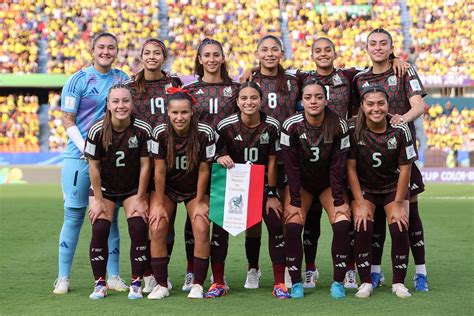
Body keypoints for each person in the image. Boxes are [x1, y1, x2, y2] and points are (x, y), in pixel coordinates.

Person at [353, 28, 429, 292]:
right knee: (372, 219)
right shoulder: (359, 77)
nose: (378, 47)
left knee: (408, 215)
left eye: (383, 43)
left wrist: (400, 121)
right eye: (372, 43)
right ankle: (374, 273)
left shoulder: (404, 70)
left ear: (391, 46)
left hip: (400, 151)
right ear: (367, 48)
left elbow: (418, 106)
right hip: (371, 157)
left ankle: (420, 272)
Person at [54, 32, 129, 295]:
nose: (106, 51)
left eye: (111, 47)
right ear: (92, 49)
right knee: (73, 216)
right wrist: (86, 147)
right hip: (79, 156)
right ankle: (63, 277)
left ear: (116, 51)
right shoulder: (78, 80)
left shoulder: (123, 79)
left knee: (110, 217)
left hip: (110, 160)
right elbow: (67, 118)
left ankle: (115, 275)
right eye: (101, 47)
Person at [208, 82, 289, 299]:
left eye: (253, 98)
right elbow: (214, 154)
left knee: (274, 221)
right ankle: (217, 282)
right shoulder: (225, 126)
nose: (249, 102)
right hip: (232, 184)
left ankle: (279, 281)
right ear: (237, 102)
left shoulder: (271, 125)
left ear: (261, 100)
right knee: (219, 227)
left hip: (260, 185)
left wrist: (272, 194)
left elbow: (272, 162)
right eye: (244, 98)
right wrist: (219, 157)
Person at [280, 80, 351, 299]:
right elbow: (290, 166)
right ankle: (296, 281)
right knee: (292, 225)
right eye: (308, 97)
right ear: (302, 101)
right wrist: (295, 200)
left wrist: (338, 199)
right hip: (301, 184)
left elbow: (338, 165)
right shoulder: (290, 125)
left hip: (329, 184)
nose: (313, 101)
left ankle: (338, 281)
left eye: (318, 97)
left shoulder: (339, 125)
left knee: (342, 223)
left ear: (326, 99)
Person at [240, 35, 300, 289]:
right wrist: (248, 70)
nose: (269, 54)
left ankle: (287, 267)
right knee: (252, 221)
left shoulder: (295, 80)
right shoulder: (247, 81)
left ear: (282, 53)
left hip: (287, 156)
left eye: (274, 49)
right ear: (257, 53)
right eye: (264, 50)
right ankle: (253, 268)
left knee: (285, 217)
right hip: (257, 158)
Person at [181, 38, 240, 291]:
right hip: (199, 162)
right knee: (194, 217)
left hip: (228, 161)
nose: (212, 59)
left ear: (223, 58)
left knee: (222, 220)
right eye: (207, 55)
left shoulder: (236, 89)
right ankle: (191, 270)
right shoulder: (191, 90)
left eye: (217, 54)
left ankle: (219, 275)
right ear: (200, 59)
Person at [84, 84, 152, 300]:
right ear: (108, 105)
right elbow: (93, 167)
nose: (121, 105)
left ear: (132, 104)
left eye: (125, 101)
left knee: (139, 226)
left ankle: (136, 283)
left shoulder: (142, 129)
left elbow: (145, 166)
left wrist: (141, 198)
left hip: (133, 189)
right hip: (105, 188)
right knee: (100, 228)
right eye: (116, 101)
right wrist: (98, 199)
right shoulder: (97, 130)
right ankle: (99, 284)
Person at [347, 87, 416, 298]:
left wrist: (397, 202)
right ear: (362, 107)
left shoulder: (400, 129)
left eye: (380, 103)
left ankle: (398, 283)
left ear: (387, 105)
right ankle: (366, 281)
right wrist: (358, 201)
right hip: (365, 188)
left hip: (392, 188)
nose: (376, 108)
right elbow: (350, 168)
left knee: (399, 225)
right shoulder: (352, 130)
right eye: (370, 104)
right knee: (362, 224)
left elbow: (406, 169)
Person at [147, 87, 215, 300]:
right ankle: (161, 284)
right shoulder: (159, 132)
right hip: (167, 188)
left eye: (184, 112)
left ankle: (197, 283)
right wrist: (158, 203)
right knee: (157, 226)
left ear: (192, 112)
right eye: (175, 112)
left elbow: (205, 169)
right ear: (168, 112)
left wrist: (201, 200)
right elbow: (158, 170)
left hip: (194, 187)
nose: (179, 117)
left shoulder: (205, 132)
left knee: (202, 226)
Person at [126, 38, 182, 293]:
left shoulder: (173, 84)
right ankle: (146, 272)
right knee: (143, 220)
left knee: (164, 220)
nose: (151, 56)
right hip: (140, 160)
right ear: (141, 56)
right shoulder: (130, 85)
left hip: (167, 160)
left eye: (156, 52)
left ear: (164, 56)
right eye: (146, 52)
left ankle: (161, 271)